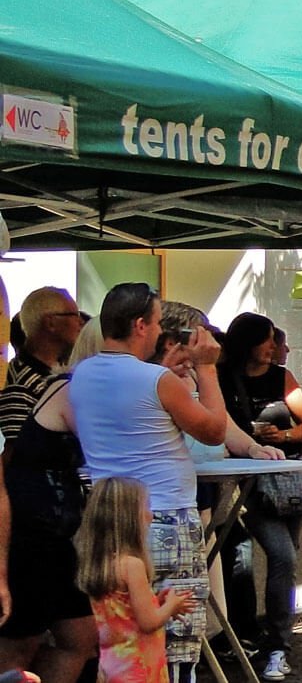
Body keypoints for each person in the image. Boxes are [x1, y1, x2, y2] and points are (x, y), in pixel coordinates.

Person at [73, 283, 276, 681]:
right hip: (162, 515)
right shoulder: (156, 380)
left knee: (127, 633)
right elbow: (214, 431)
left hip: (107, 521)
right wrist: (206, 369)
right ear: (140, 325)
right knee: (178, 640)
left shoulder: (82, 374)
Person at [216, 313, 302, 681]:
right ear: (251, 343)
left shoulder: (281, 377)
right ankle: (277, 645)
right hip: (251, 487)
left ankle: (277, 641)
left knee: (285, 564)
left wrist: (285, 437)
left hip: (288, 485)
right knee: (283, 557)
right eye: (269, 340)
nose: (275, 347)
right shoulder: (223, 379)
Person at [0, 322, 99, 683]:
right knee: (20, 644)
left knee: (82, 637)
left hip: (55, 534)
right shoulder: (70, 389)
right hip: (31, 532)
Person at [75, 478, 199, 683]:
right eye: (147, 508)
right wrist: (170, 605)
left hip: (112, 666)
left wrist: (156, 602)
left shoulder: (99, 563)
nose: (150, 516)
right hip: (139, 667)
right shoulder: (132, 565)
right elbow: (148, 622)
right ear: (130, 518)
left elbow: (125, 615)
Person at [0, 287, 82, 437]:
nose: (80, 322)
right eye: (74, 315)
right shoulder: (20, 384)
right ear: (50, 323)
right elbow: (18, 450)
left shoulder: (60, 369)